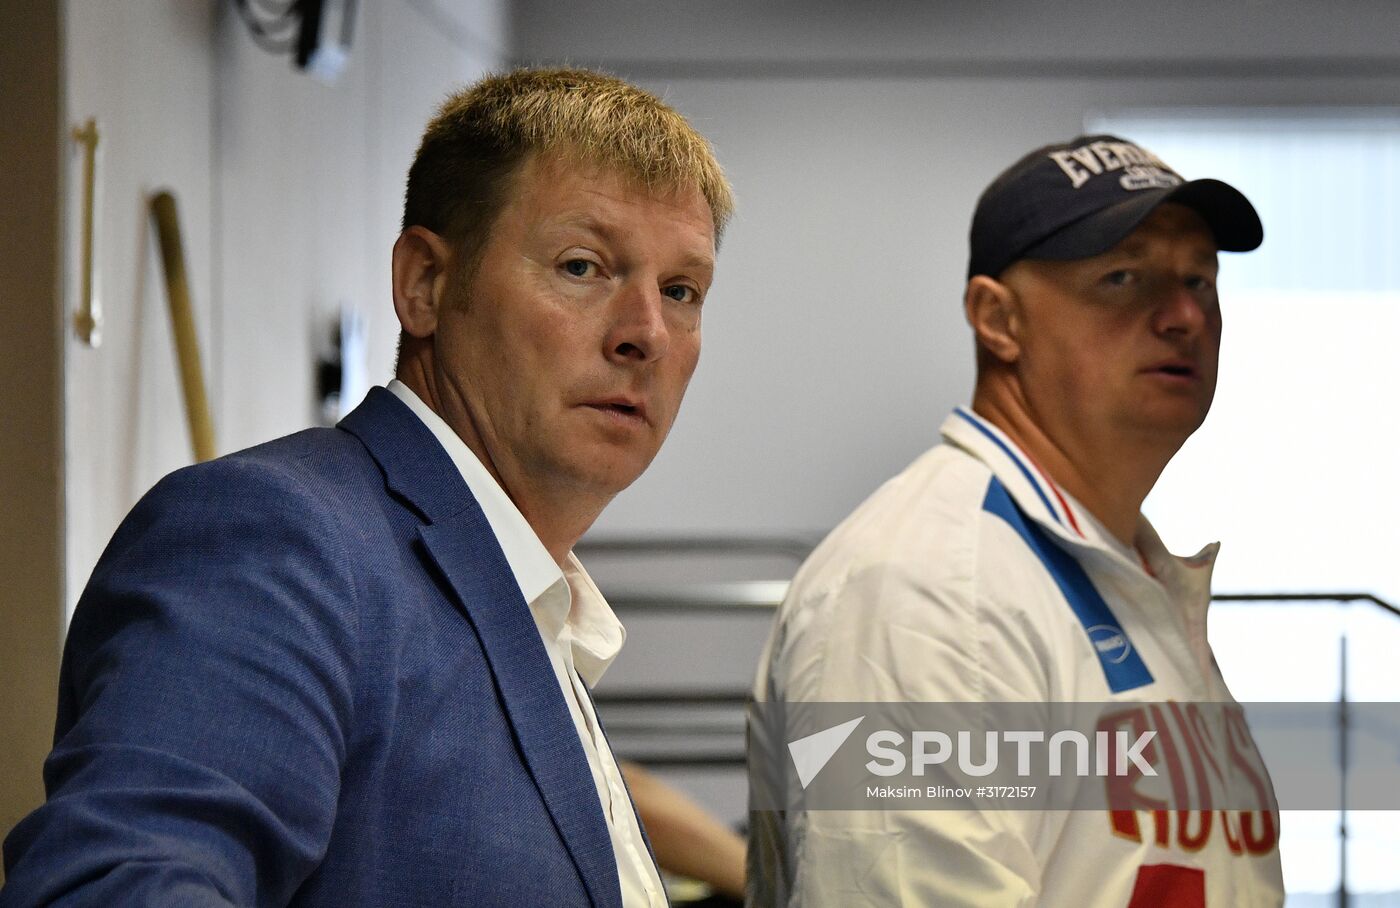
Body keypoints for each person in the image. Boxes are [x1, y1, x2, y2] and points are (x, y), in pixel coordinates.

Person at [1, 67, 733, 907]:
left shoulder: (528, 600)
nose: (645, 332)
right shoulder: (279, 538)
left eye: (682, 291)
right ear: (424, 284)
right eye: (582, 266)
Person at [749, 135, 1284, 906]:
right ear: (997, 318)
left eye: (1200, 279)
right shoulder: (927, 591)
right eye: (1122, 276)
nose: (1182, 316)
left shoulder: (1120, 570)